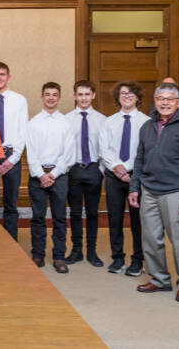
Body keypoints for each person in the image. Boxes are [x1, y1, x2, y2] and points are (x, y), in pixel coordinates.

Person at [129, 83, 179, 303]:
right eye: (160, 98)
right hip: (149, 190)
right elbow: (139, 160)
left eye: (169, 99)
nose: (164, 103)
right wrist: (135, 187)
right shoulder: (146, 127)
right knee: (151, 238)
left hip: (176, 192)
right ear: (155, 101)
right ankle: (159, 279)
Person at [99, 81, 150, 276]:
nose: (127, 96)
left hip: (137, 177)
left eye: (131, 93)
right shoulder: (108, 122)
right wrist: (117, 168)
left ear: (137, 97)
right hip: (113, 177)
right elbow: (103, 149)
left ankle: (137, 260)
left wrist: (128, 169)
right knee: (114, 219)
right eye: (122, 93)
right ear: (117, 97)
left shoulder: (146, 122)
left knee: (137, 222)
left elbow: (145, 150)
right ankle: (117, 258)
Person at [26, 82, 75, 274]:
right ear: (42, 97)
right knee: (37, 217)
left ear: (59, 97)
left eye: (55, 95)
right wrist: (41, 174)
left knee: (59, 218)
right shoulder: (33, 123)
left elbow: (69, 154)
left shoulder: (66, 123)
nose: (51, 98)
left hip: (59, 175)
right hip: (37, 176)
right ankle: (38, 254)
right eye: (47, 94)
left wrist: (52, 174)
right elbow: (30, 152)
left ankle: (59, 256)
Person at [0, 61, 28, 240]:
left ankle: (11, 241)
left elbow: (23, 132)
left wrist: (12, 160)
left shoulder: (19, 100)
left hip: (11, 156)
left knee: (10, 204)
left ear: (9, 77)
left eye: (2, 74)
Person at [64, 80, 106, 267]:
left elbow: (105, 148)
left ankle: (92, 251)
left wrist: (101, 171)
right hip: (74, 169)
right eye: (80, 94)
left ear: (93, 95)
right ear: (74, 96)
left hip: (93, 169)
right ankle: (76, 250)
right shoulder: (66, 120)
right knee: (74, 212)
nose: (83, 98)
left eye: (87, 94)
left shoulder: (102, 120)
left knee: (92, 212)